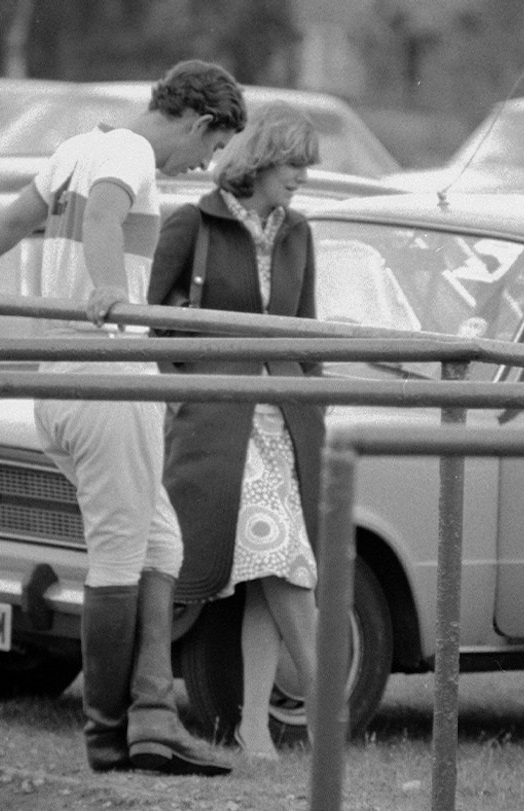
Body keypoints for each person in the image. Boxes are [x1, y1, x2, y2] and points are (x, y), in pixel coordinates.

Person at [0, 60, 246, 776]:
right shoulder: (131, 153)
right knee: (122, 552)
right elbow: (112, 212)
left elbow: (7, 224)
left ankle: (152, 714)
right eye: (209, 150)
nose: (199, 166)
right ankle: (107, 733)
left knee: (161, 544)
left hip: (64, 383)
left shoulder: (78, 148)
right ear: (199, 121)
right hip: (105, 377)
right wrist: (114, 295)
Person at [146, 104, 325, 761]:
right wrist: (182, 390)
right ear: (260, 160)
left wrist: (316, 411)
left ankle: (255, 727)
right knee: (280, 555)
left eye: (307, 167)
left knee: (267, 568)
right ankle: (328, 708)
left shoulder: (299, 231)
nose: (302, 177)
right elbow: (149, 322)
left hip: (286, 422)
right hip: (221, 422)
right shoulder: (192, 221)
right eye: (294, 164)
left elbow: (307, 333)